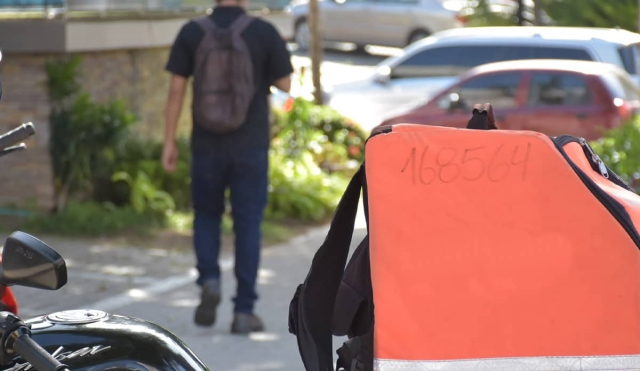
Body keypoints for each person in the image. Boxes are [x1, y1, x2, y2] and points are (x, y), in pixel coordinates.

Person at [161, 0, 293, 334]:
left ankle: (209, 279)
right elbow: (285, 85)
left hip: (207, 146)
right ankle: (244, 311)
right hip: (250, 146)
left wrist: (169, 142)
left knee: (206, 216)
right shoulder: (263, 31)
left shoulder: (192, 32)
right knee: (248, 224)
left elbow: (176, 89)